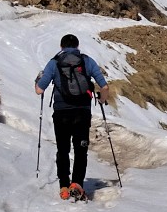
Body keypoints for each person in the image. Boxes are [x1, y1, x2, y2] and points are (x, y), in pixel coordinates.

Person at [35, 33, 111, 200]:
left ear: (61, 47)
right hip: (82, 112)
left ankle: (63, 186)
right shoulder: (86, 61)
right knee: (80, 149)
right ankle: (77, 184)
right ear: (77, 46)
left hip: (61, 112)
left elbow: (39, 90)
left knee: (63, 149)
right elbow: (104, 87)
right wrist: (101, 99)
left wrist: (38, 79)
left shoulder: (54, 63)